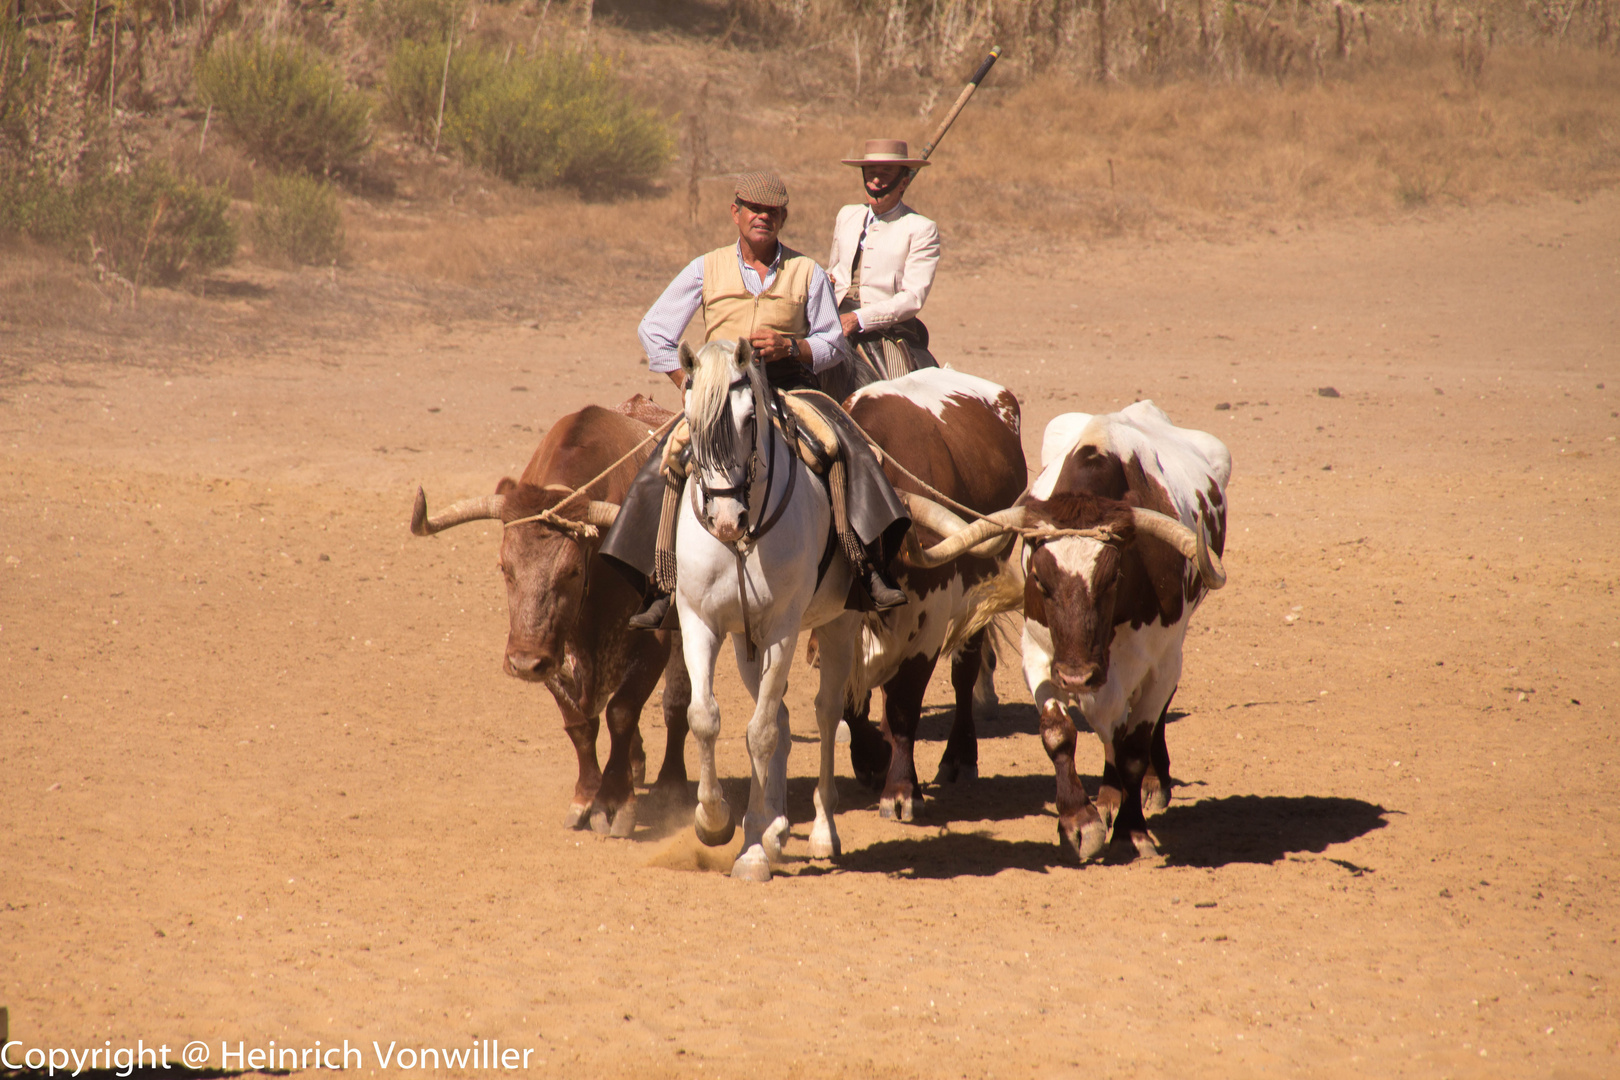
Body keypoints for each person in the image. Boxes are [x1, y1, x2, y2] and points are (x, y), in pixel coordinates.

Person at [600, 169, 910, 630]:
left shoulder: (806, 271)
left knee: (840, 446)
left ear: (782, 217)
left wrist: (795, 348)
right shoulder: (705, 268)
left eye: (772, 211)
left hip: (790, 385)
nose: (762, 217)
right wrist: (689, 385)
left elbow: (835, 344)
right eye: (753, 209)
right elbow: (655, 330)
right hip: (720, 394)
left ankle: (866, 567)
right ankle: (660, 583)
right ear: (736, 213)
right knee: (668, 460)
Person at [827, 139, 941, 379]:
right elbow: (835, 270)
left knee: (898, 393)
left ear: (904, 182)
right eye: (870, 173)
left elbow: (912, 298)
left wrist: (859, 319)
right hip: (832, 319)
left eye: (885, 174)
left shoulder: (920, 228)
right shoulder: (847, 214)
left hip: (884, 330)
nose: (876, 180)